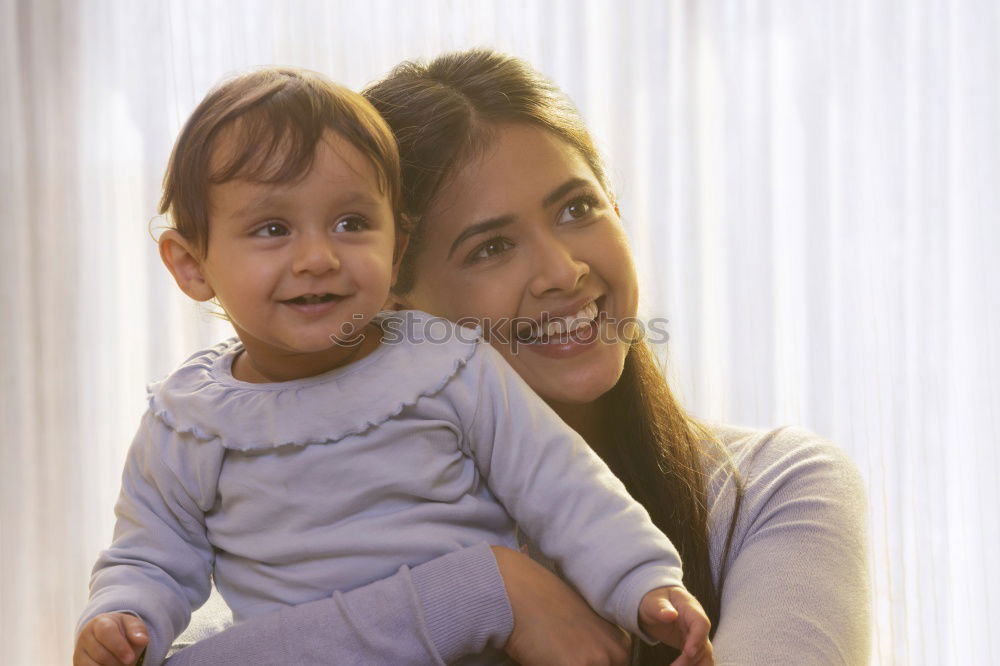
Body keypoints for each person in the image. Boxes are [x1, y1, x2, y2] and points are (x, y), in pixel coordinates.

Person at [137, 50, 871, 666]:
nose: (561, 270)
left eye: (578, 209)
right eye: (490, 246)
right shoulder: (308, 533)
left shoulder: (771, 491)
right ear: (391, 296)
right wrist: (488, 590)